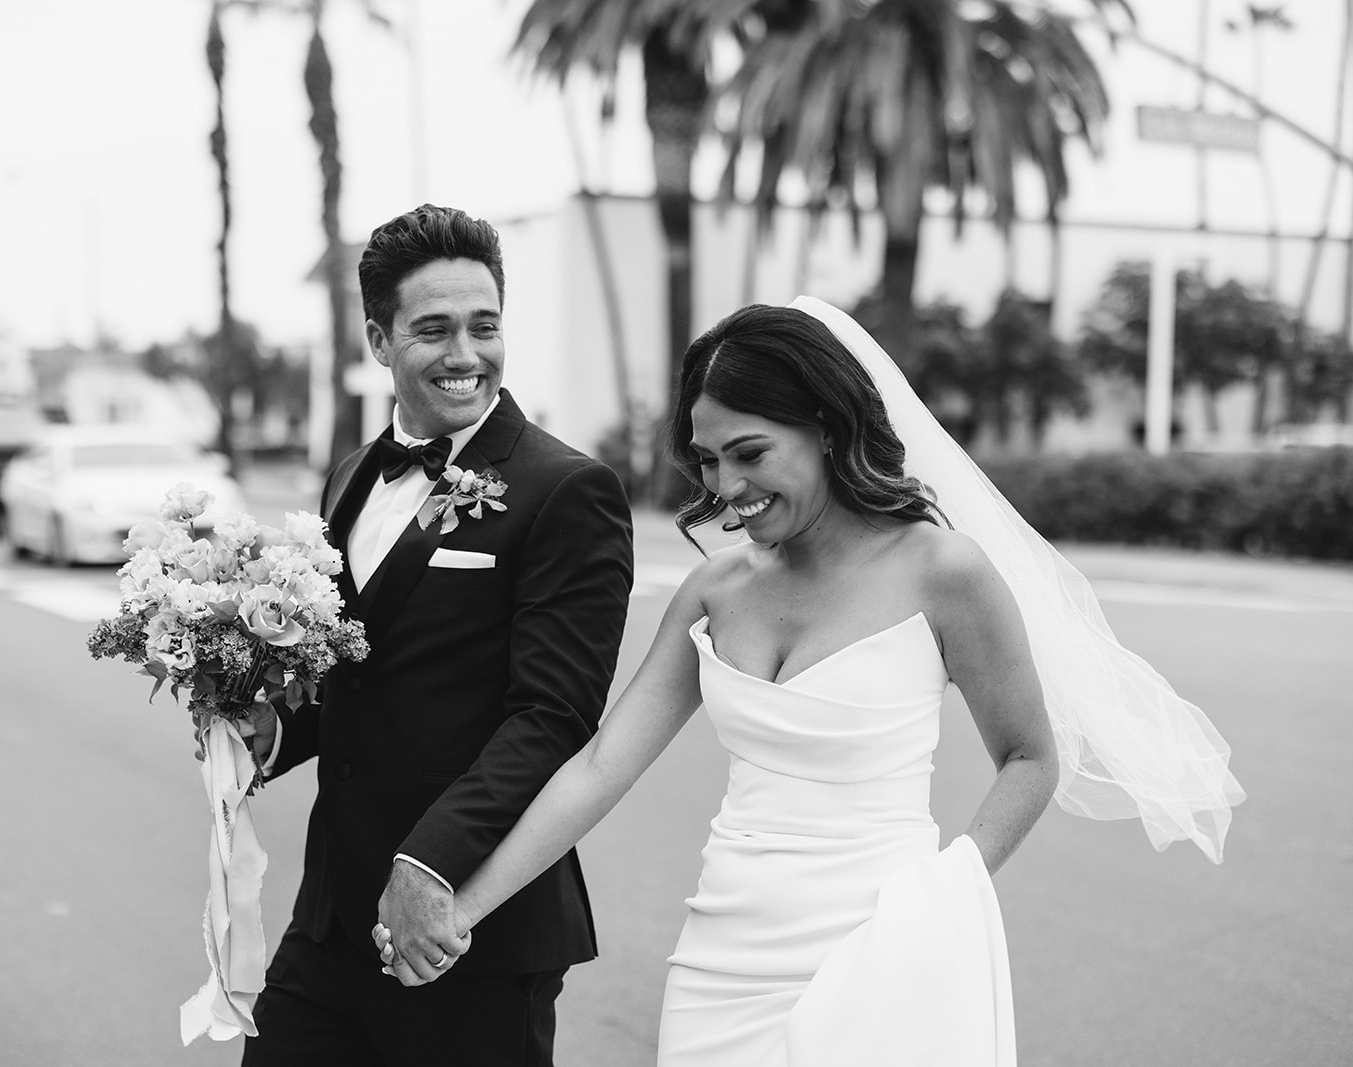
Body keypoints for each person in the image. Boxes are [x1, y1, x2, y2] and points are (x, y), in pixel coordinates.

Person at [376, 298, 1244, 1066]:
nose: (728, 488)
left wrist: (942, 896)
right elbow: (602, 765)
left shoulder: (944, 571)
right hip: (721, 957)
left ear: (826, 426)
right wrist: (462, 905)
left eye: (751, 452)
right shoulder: (716, 590)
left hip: (879, 947)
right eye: (709, 461)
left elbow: (1029, 757)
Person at [238, 204, 635, 1066]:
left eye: (484, 326)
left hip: (470, 930)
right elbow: (354, 665)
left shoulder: (568, 491)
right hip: (331, 920)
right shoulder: (350, 474)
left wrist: (431, 864)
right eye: (434, 329)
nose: (466, 355)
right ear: (380, 341)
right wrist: (270, 733)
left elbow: (553, 716)